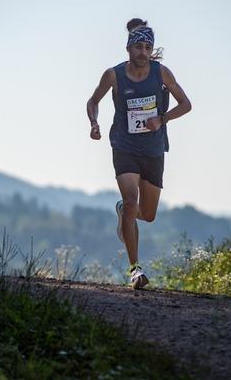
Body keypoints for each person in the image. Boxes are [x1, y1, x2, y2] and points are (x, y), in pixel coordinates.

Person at [86, 18, 192, 289]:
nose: (143, 52)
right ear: (129, 48)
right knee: (132, 199)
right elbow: (93, 101)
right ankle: (135, 269)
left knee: (148, 213)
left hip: (153, 150)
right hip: (124, 147)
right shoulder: (114, 74)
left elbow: (186, 104)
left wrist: (162, 119)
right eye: (138, 47)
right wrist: (94, 123)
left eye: (148, 47)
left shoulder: (161, 73)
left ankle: (124, 212)